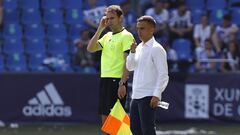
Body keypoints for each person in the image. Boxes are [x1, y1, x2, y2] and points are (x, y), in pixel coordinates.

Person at [87, 5, 135, 126]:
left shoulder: (126, 36)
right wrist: (100, 28)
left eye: (112, 18)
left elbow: (127, 62)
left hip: (117, 81)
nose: (109, 21)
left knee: (116, 122)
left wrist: (123, 83)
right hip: (105, 80)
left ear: (120, 18)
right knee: (106, 122)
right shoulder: (107, 36)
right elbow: (90, 48)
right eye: (107, 18)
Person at [126, 15, 169, 135]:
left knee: (148, 130)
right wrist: (132, 52)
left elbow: (163, 75)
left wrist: (157, 95)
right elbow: (130, 67)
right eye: (138, 28)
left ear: (152, 30)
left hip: (148, 96)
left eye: (142, 28)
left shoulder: (157, 49)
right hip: (136, 96)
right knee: (135, 130)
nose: (139, 31)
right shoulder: (138, 47)